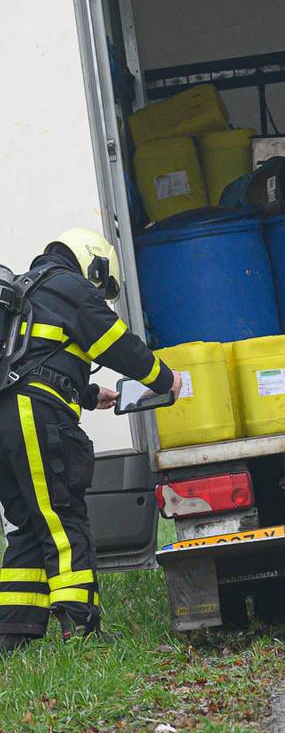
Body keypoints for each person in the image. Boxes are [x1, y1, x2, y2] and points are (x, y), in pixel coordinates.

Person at [0, 229, 174, 654]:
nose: (100, 292)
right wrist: (165, 379)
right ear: (93, 264)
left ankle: (12, 634)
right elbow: (117, 345)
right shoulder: (70, 286)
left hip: (7, 416)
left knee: (28, 524)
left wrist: (92, 395)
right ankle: (81, 627)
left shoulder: (31, 287)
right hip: (33, 416)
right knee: (63, 515)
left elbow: (36, 358)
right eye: (103, 284)